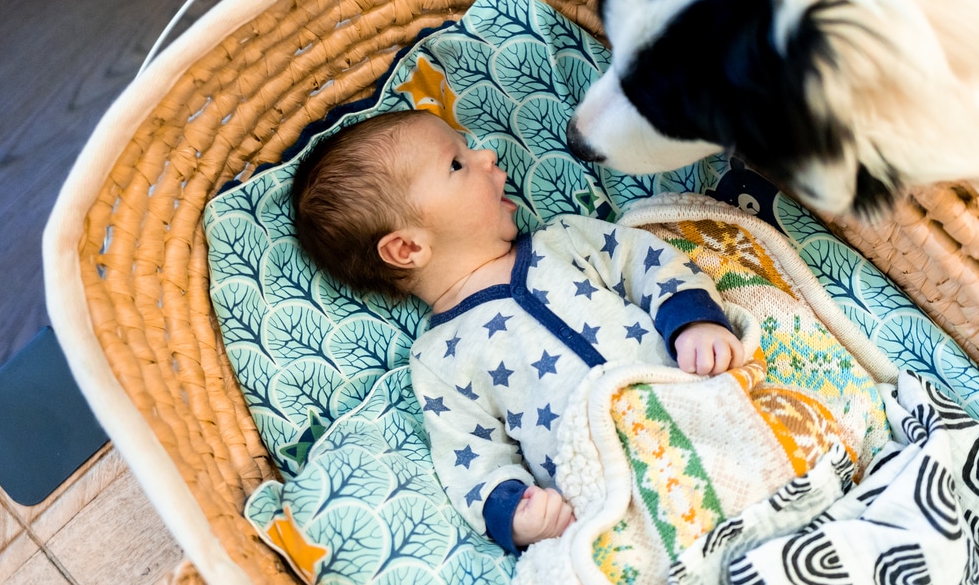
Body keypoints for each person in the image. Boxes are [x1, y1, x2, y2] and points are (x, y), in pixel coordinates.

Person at [292, 109, 747, 554]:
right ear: (408, 246)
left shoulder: (564, 241)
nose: (487, 155)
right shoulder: (438, 360)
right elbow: (469, 453)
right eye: (457, 163)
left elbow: (647, 264)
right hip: (619, 495)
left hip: (701, 402)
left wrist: (693, 321)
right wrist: (516, 511)